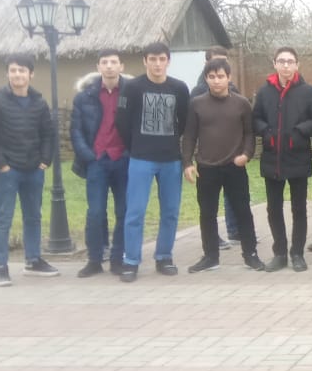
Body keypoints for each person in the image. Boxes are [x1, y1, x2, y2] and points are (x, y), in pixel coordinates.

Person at [0, 53, 58, 286]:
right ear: (7, 74)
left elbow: (48, 134)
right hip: (8, 171)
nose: (17, 74)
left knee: (33, 216)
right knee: (3, 218)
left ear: (31, 74)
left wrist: (45, 160)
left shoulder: (39, 103)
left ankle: (33, 261)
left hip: (34, 169)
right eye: (13, 70)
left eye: (22, 70)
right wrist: (0, 165)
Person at [180, 58, 265, 273]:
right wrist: (187, 162)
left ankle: (251, 255)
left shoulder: (241, 103)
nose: (216, 81)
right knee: (207, 213)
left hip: (235, 167)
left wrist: (246, 154)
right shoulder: (196, 103)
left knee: (243, 211)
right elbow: (189, 135)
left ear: (229, 77)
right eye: (212, 77)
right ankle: (210, 256)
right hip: (206, 167)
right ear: (206, 79)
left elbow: (249, 133)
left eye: (220, 76)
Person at [117, 42, 191, 282]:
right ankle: (131, 261)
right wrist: (135, 146)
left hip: (170, 159)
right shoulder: (132, 87)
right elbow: (122, 122)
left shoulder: (179, 88)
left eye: (161, 59)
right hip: (141, 158)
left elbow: (185, 121)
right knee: (135, 212)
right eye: (152, 59)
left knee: (170, 211)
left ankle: (164, 256)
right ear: (145, 61)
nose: (157, 64)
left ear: (168, 61)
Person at [252, 47, 312, 272]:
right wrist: (267, 132)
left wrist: (300, 131)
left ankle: (297, 253)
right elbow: (255, 119)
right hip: (272, 158)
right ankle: (280, 253)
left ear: (297, 65)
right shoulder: (265, 91)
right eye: (281, 61)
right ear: (274, 64)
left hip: (297, 157)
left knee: (299, 209)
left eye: (290, 61)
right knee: (273, 209)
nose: (286, 65)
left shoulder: (307, 91)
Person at [70, 49, 129, 278]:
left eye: (114, 62)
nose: (109, 66)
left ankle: (117, 259)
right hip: (97, 161)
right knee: (95, 212)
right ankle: (94, 260)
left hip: (124, 160)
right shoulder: (84, 97)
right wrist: (89, 155)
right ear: (98, 67)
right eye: (105, 62)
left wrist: (131, 153)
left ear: (121, 66)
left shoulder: (131, 92)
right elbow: (75, 131)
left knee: (124, 212)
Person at [190, 45, 241, 248]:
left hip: (232, 153)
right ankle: (213, 239)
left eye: (224, 61)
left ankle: (235, 230)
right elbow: (192, 127)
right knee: (209, 203)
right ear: (206, 63)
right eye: (216, 60)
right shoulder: (198, 92)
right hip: (208, 157)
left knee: (233, 196)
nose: (220, 65)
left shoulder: (233, 89)